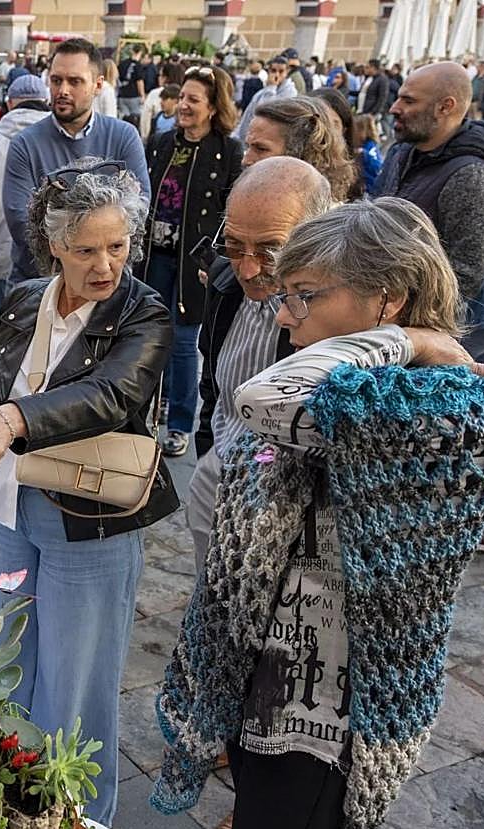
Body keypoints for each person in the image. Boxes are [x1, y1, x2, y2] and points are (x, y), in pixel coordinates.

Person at [154, 197, 484, 829]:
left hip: (326, 715)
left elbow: (263, 395)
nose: (284, 316)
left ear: (387, 298)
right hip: (266, 667)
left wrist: (410, 339)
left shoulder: (425, 408)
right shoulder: (348, 389)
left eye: (304, 295)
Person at [0, 159, 178, 825]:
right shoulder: (23, 299)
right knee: (8, 657)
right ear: (55, 246)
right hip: (13, 509)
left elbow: (111, 394)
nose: (106, 265)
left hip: (90, 522)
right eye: (86, 249)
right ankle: (13, 794)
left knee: (76, 681)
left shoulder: (144, 311)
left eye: (119, 245)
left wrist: (12, 420)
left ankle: (74, 816)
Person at [189, 157, 333, 569]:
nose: (248, 268)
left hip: (288, 500)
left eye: (270, 251)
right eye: (234, 246)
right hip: (217, 471)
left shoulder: (337, 310)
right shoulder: (225, 282)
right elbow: (212, 382)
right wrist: (209, 453)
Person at [136, 66, 243, 458]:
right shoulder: (162, 142)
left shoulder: (229, 150)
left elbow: (230, 207)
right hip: (154, 258)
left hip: (192, 264)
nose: (182, 105)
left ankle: (180, 421)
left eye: (193, 100)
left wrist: (212, 253)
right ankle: (151, 405)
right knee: (148, 334)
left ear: (214, 107)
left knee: (182, 342)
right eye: (182, 97)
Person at [375, 61, 484, 364]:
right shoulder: (401, 152)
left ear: (445, 107)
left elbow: (466, 272)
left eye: (409, 100)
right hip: (386, 314)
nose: (394, 108)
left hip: (432, 333)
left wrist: (418, 331)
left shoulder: (469, 174)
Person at [3, 38, 150, 284]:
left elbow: (138, 210)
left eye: (75, 81)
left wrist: (87, 256)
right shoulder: (25, 144)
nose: (63, 90)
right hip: (40, 284)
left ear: (98, 85)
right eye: (56, 80)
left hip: (107, 283)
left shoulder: (124, 136)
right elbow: (21, 222)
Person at [0, 74, 51, 331]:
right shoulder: (56, 141)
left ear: (11, 103)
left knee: (5, 330)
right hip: (52, 255)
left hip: (3, 254)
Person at [243, 96, 357, 202]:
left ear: (303, 155)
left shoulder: (329, 221)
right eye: (248, 147)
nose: (246, 160)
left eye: (261, 149)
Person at [234, 55, 296, 141]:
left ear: (287, 72)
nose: (276, 74)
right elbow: (247, 116)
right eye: (273, 71)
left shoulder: (290, 94)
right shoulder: (262, 91)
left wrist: (271, 88)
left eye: (281, 71)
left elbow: (266, 113)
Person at [140, 60, 183, 139]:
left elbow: (145, 118)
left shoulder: (155, 93)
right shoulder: (183, 94)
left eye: (160, 75)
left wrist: (145, 137)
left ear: (165, 77)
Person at [353, 113, 383, 196]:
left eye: (355, 129)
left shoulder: (370, 146)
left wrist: (364, 154)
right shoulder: (359, 145)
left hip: (369, 190)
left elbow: (377, 167)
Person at [117, 43, 146, 123]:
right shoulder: (138, 65)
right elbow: (139, 81)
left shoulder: (122, 63)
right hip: (134, 96)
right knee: (134, 120)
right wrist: (142, 95)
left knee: (123, 119)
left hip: (122, 95)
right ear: (140, 53)